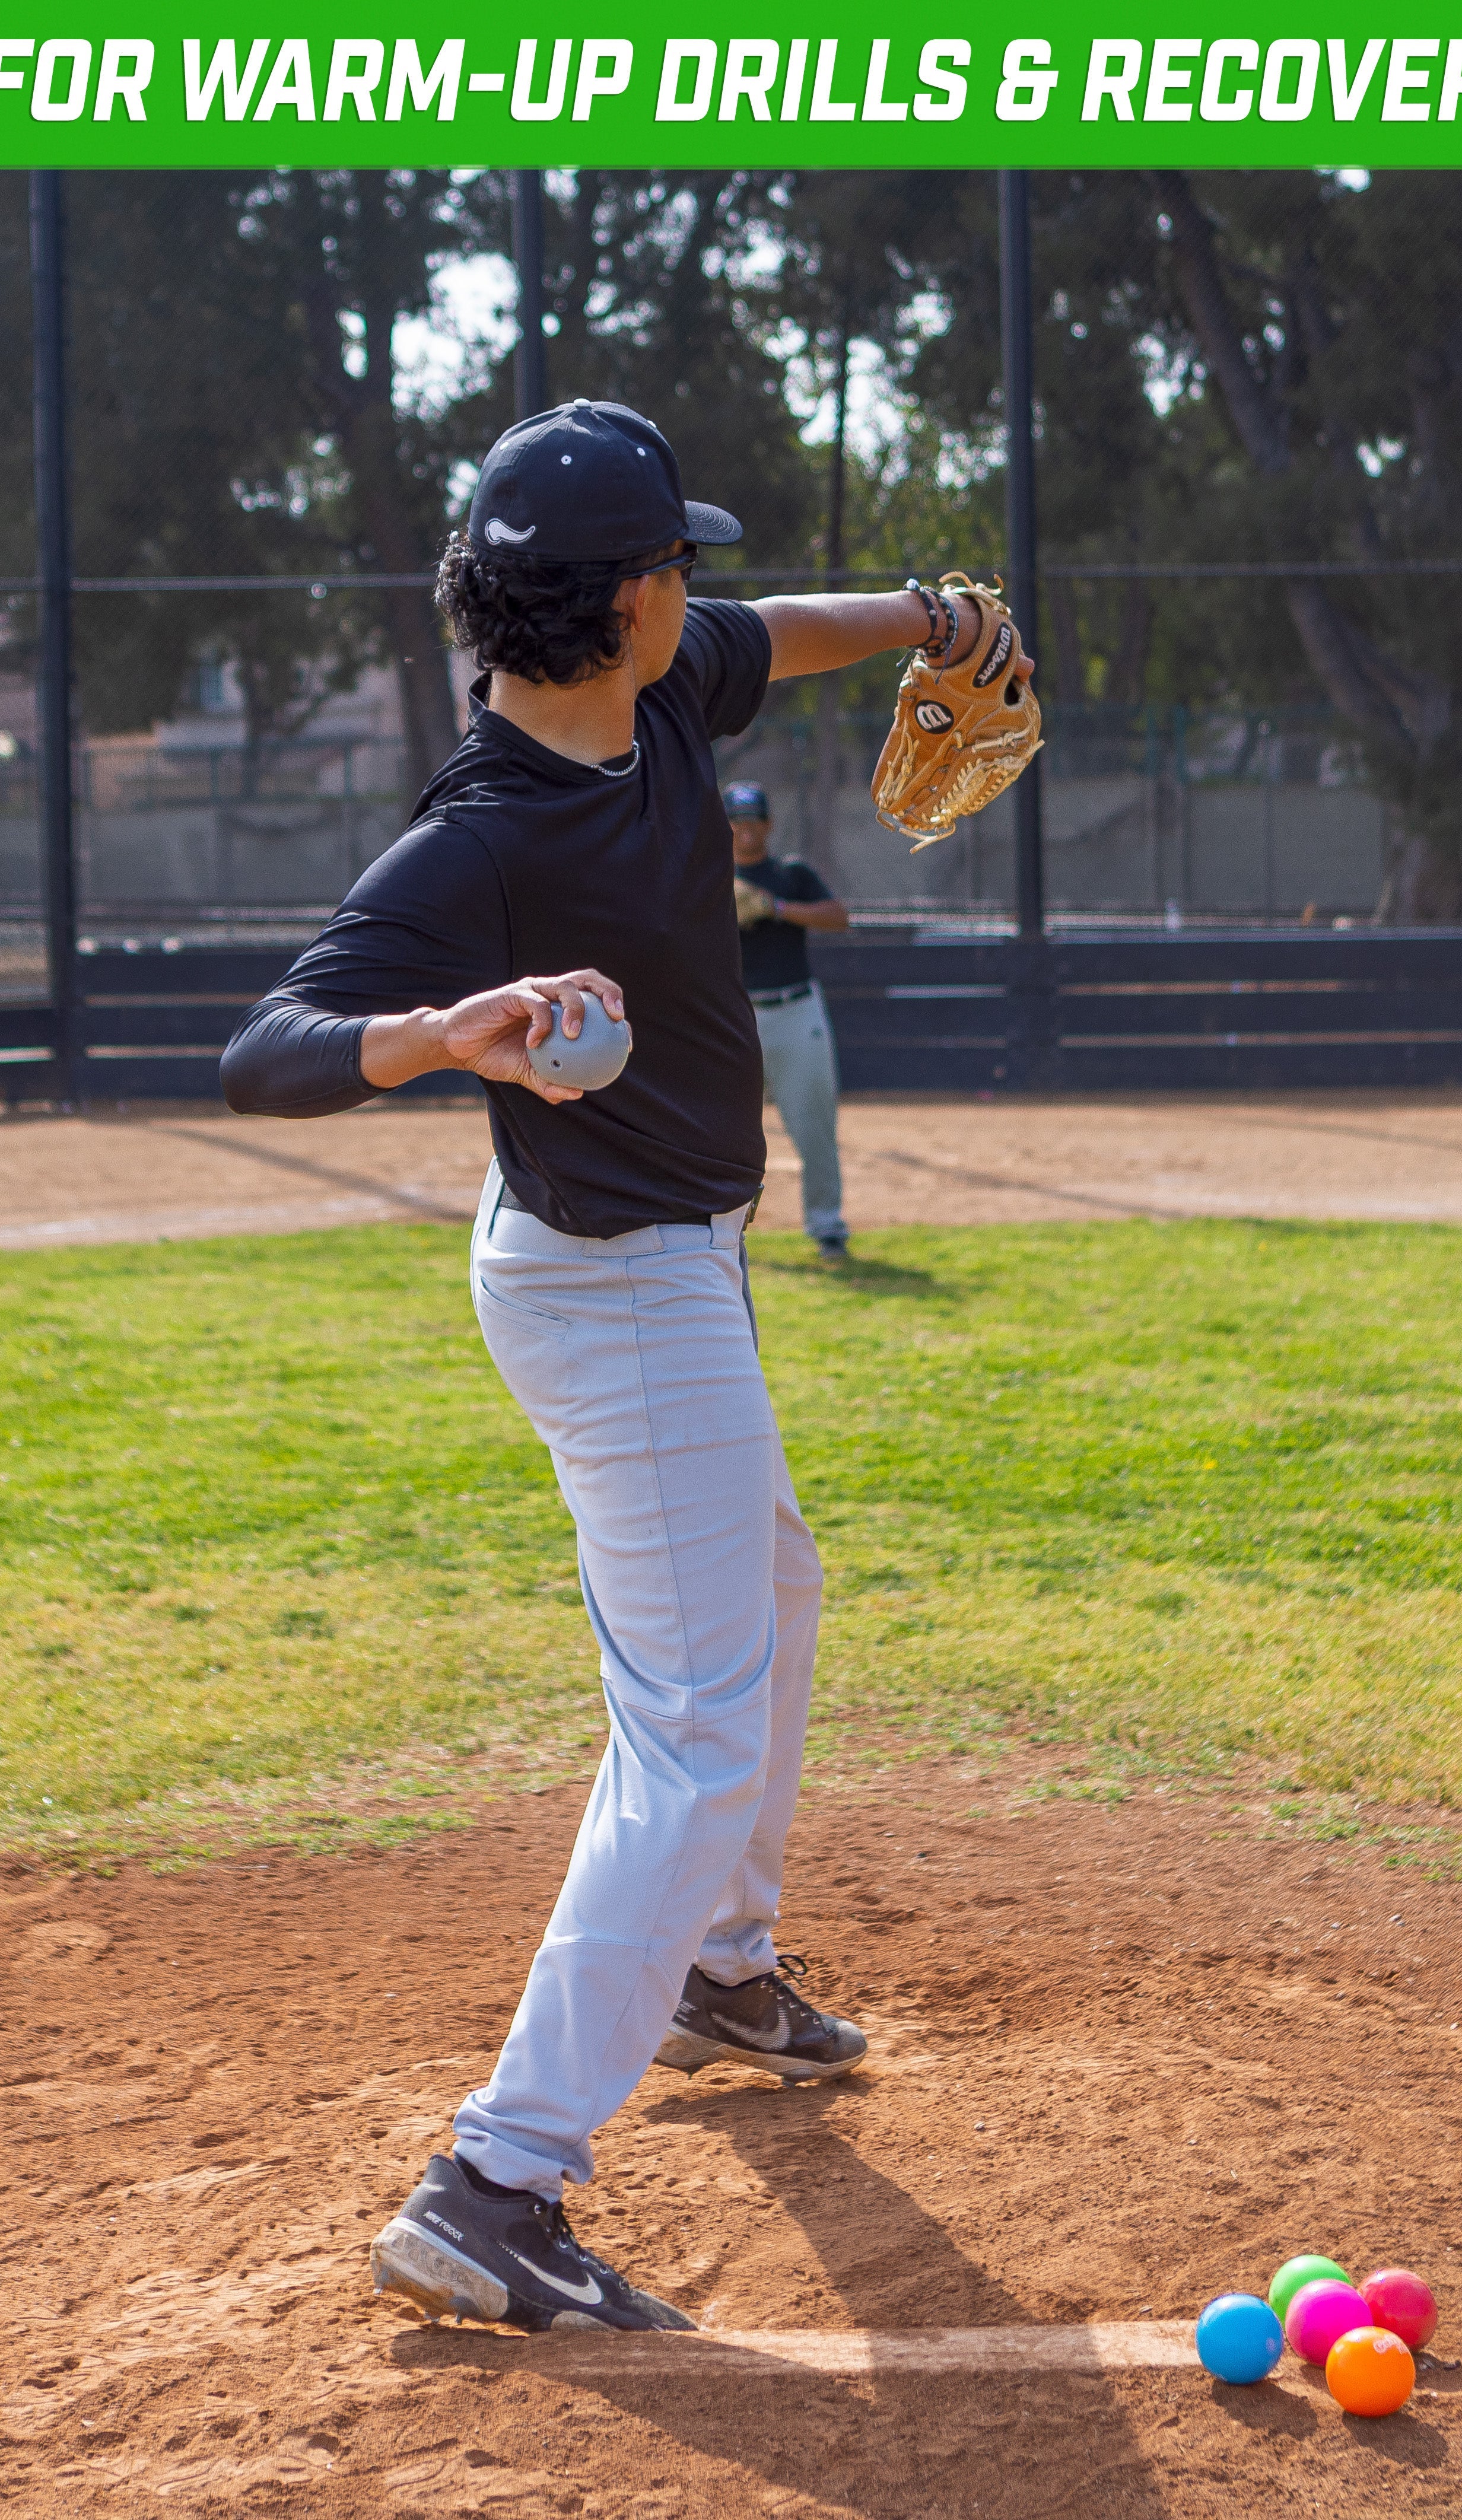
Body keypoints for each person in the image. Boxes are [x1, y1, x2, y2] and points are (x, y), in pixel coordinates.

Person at [219, 398, 1022, 2337]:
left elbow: (792, 630)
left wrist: (927, 612)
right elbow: (265, 1046)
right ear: (625, 597)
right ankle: (494, 2175)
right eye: (682, 562)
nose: (705, 589)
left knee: (772, 1591)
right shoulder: (481, 833)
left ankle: (717, 1972)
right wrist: (450, 1028)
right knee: (694, 1720)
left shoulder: (652, 694)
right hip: (613, 1283)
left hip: (668, 1265)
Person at [724, 781, 851, 1258]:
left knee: (813, 1124)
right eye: (737, 822)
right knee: (723, 1129)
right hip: (737, 1017)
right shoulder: (710, 878)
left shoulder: (790, 873)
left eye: (753, 821)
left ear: (769, 825)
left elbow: (839, 916)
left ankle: (827, 1226)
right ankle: (720, 1229)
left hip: (796, 1009)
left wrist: (776, 908)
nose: (745, 831)